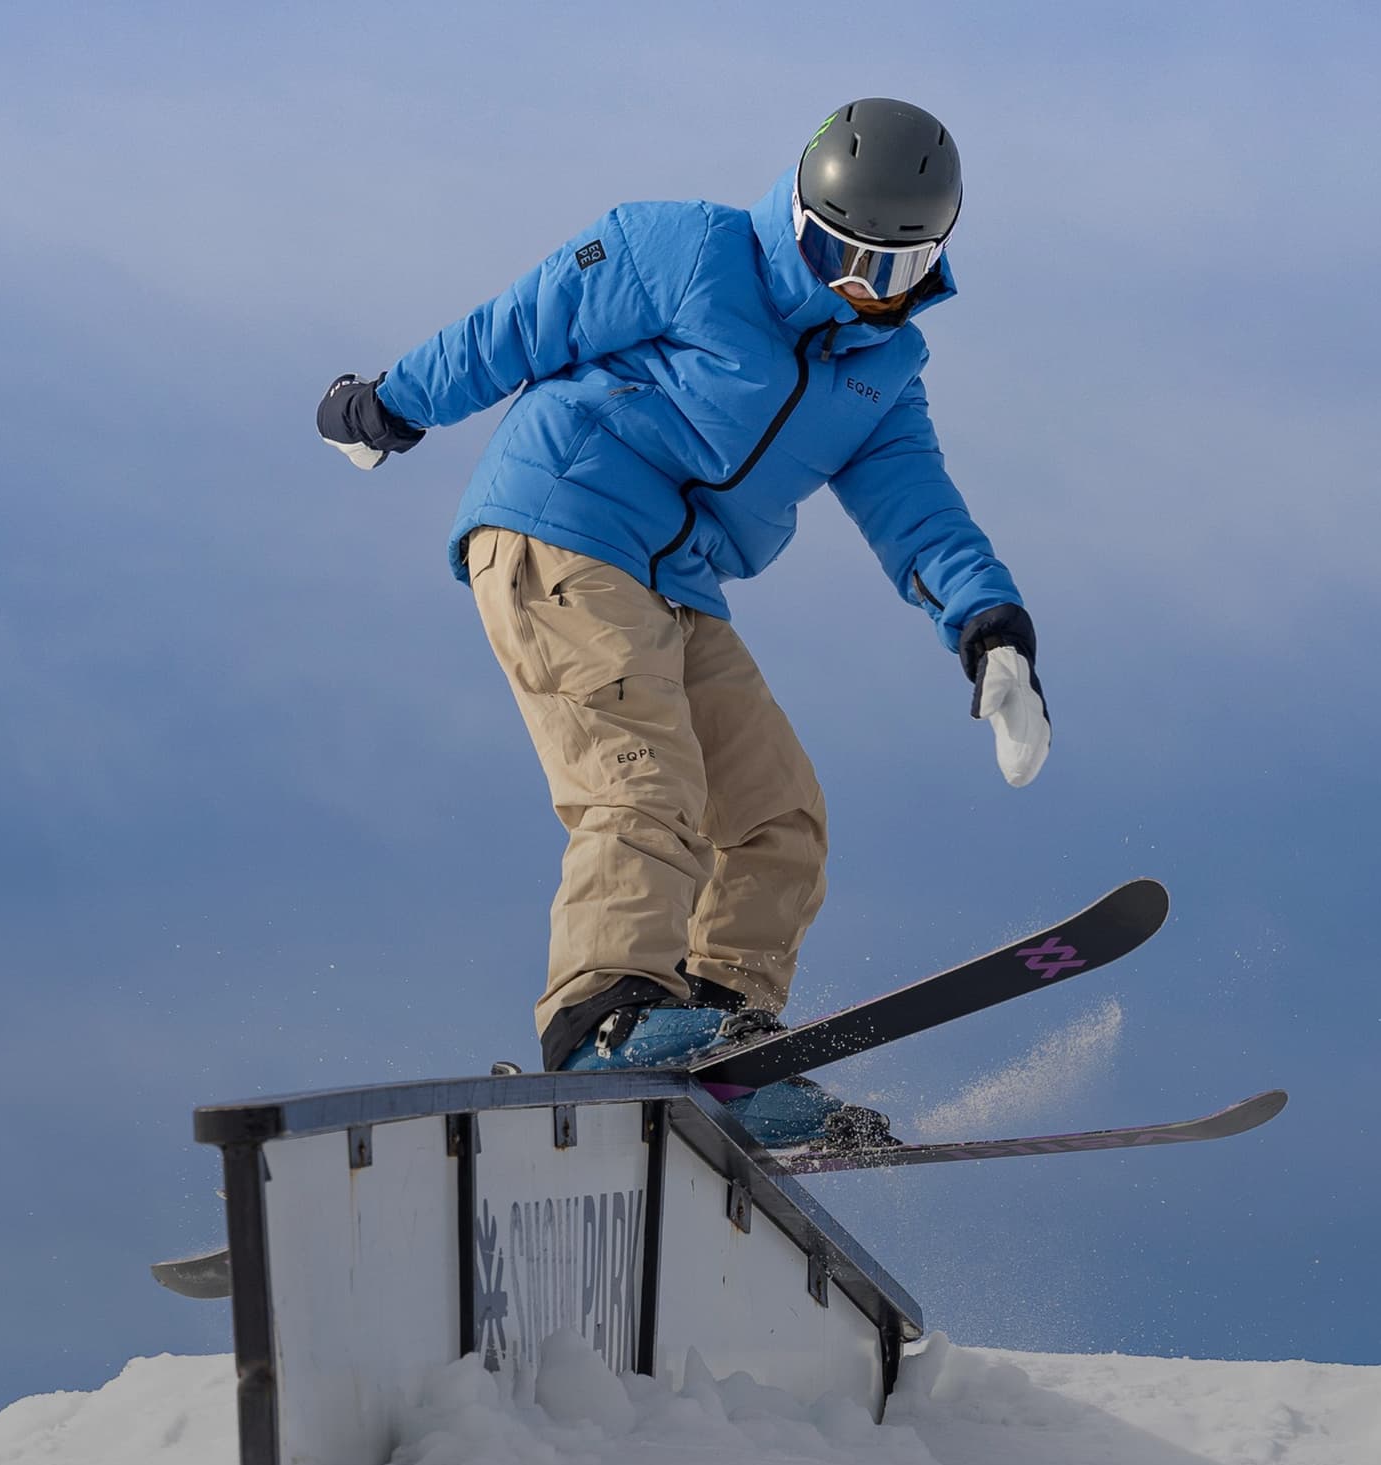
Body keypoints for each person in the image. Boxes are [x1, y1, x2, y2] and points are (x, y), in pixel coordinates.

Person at [316, 98, 1051, 1148]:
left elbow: (922, 516)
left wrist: (993, 632)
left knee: (778, 814)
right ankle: (605, 1014)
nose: (849, 287)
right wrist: (392, 403)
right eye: (827, 251)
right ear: (793, 212)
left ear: (930, 263)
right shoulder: (689, 250)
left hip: (679, 585)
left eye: (883, 273)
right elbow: (521, 322)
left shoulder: (880, 378)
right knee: (642, 781)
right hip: (562, 527)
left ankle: (719, 1036)